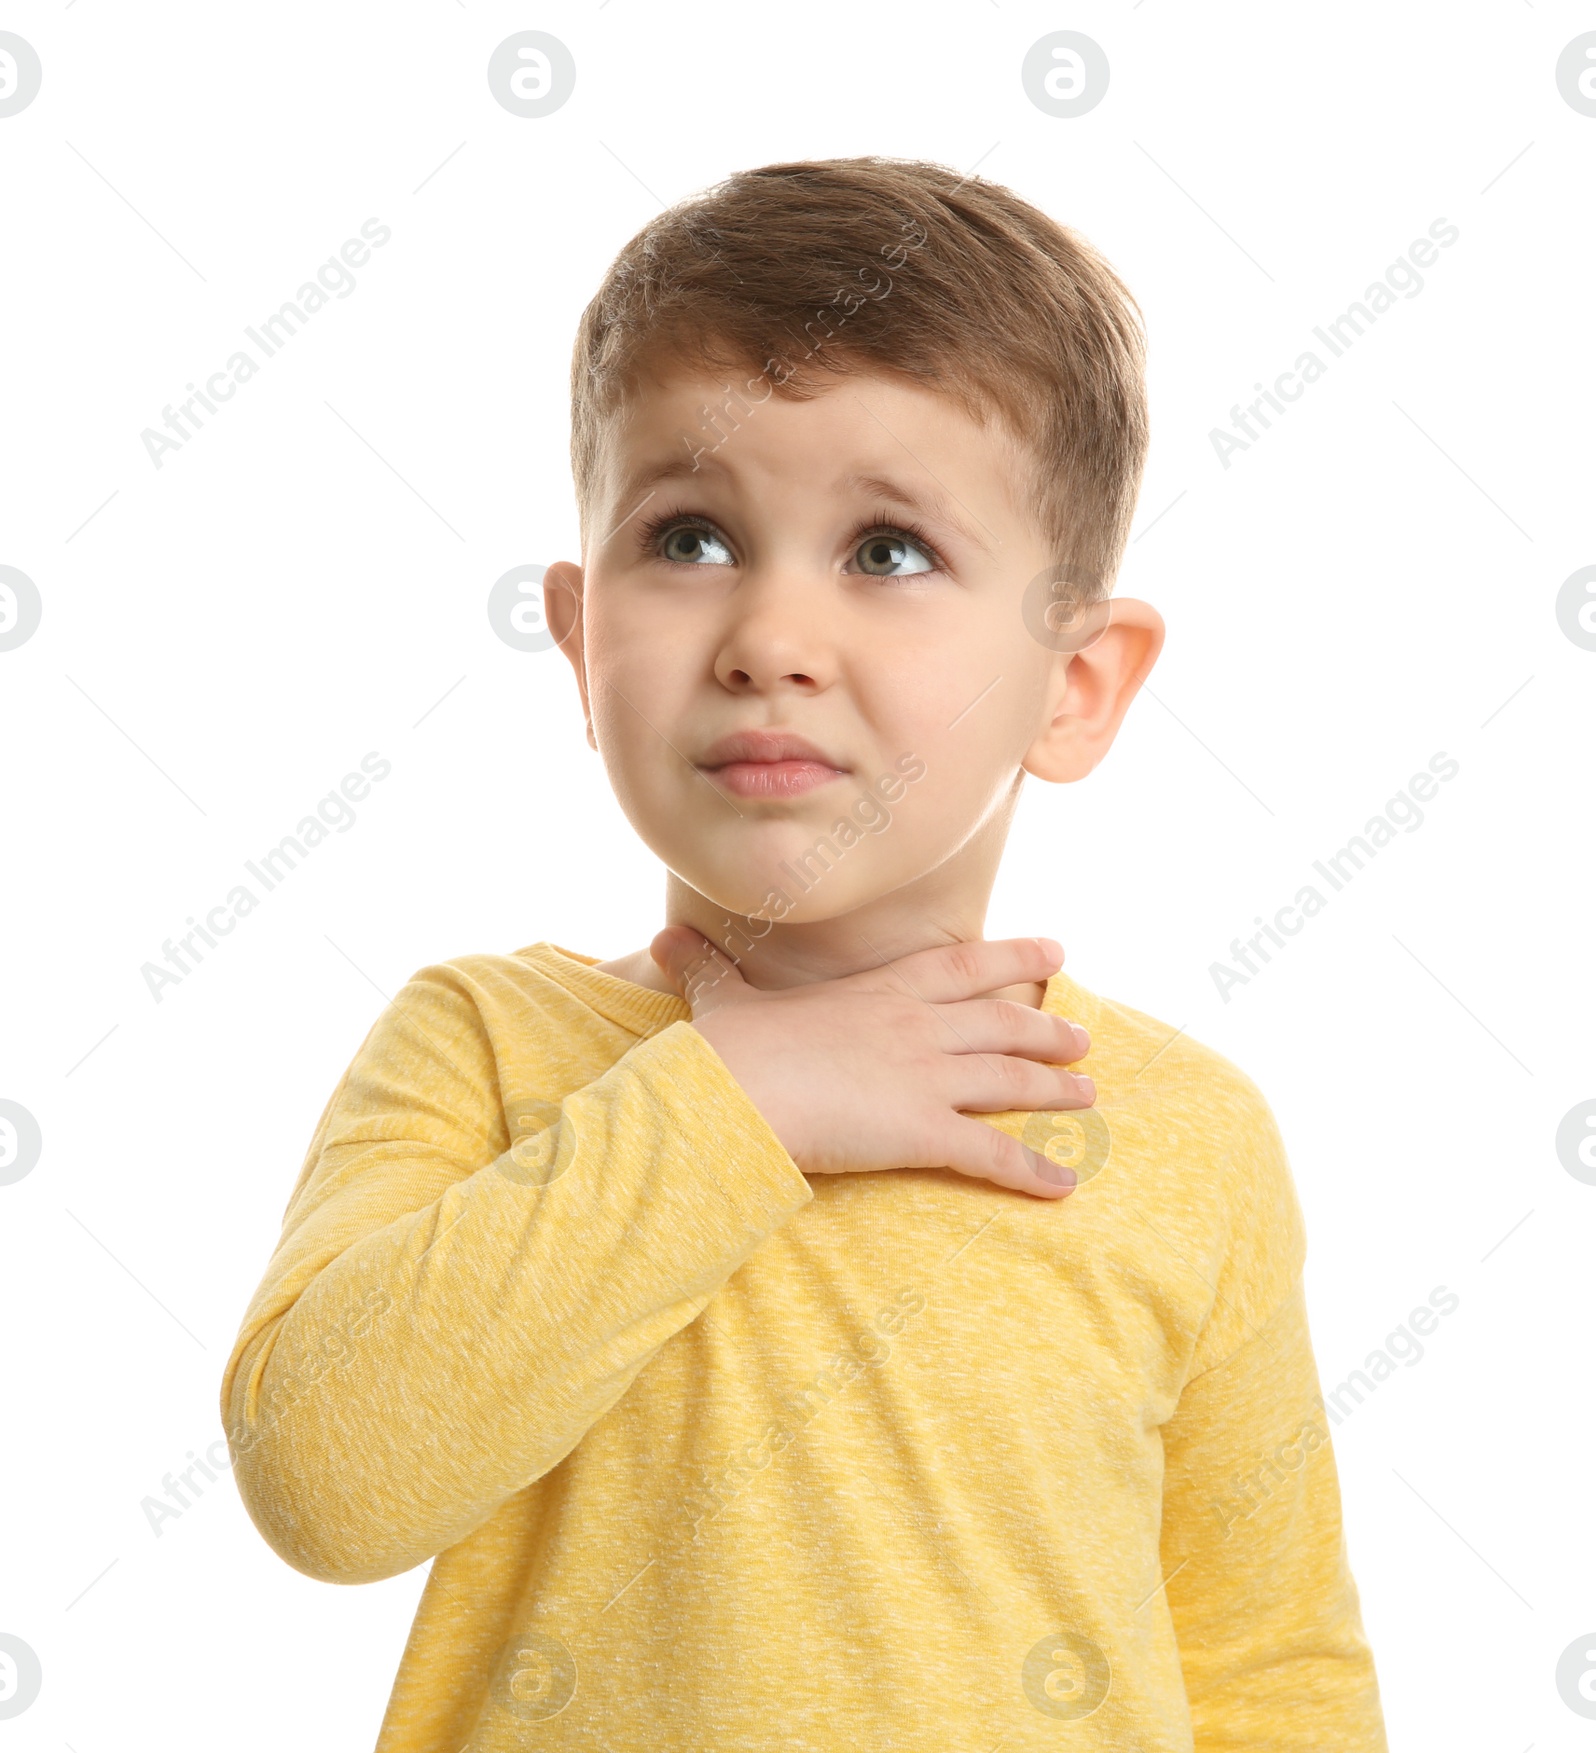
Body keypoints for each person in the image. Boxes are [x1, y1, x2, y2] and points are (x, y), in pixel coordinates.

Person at [221, 155, 1387, 1750]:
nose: (770, 634)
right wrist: (734, 1095)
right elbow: (324, 1476)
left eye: (889, 551)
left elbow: (1273, 1674)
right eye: (690, 536)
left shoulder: (1185, 1139)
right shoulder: (482, 1049)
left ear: (1078, 683)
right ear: (579, 641)